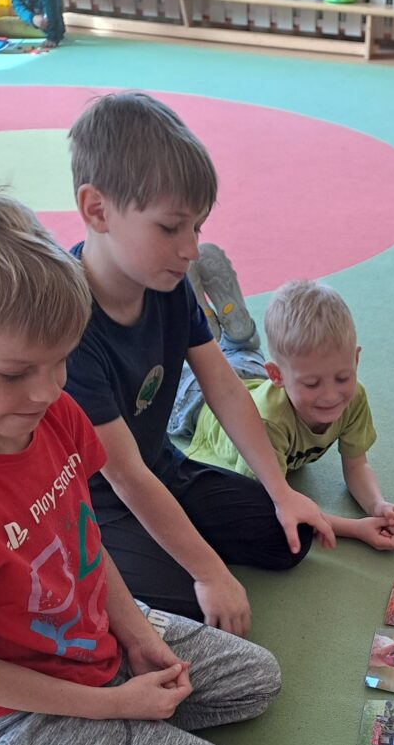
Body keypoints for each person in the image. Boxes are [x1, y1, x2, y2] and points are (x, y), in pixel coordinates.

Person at [0, 185, 281, 745]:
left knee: (257, 682)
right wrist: (113, 706)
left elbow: (83, 538)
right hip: (13, 704)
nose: (48, 389)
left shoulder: (54, 413)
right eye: (13, 373)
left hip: (93, 639)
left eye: (60, 359)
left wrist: (134, 630)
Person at [64, 91, 335, 639]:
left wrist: (281, 491)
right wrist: (209, 572)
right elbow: (125, 476)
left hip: (165, 468)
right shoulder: (69, 323)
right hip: (98, 505)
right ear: (97, 209)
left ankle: (184, 544)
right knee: (192, 607)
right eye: (171, 228)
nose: (190, 249)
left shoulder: (167, 284)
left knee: (289, 537)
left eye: (198, 228)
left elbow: (226, 390)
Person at [172, 278, 394, 550]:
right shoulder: (269, 423)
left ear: (355, 360)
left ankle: (226, 329)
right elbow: (276, 504)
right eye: (312, 384)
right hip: (198, 400)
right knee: (175, 366)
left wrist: (377, 505)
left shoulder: (354, 397)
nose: (331, 396)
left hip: (253, 375)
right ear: (277, 376)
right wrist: (356, 529)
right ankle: (192, 309)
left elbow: (356, 465)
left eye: (343, 377)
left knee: (241, 352)